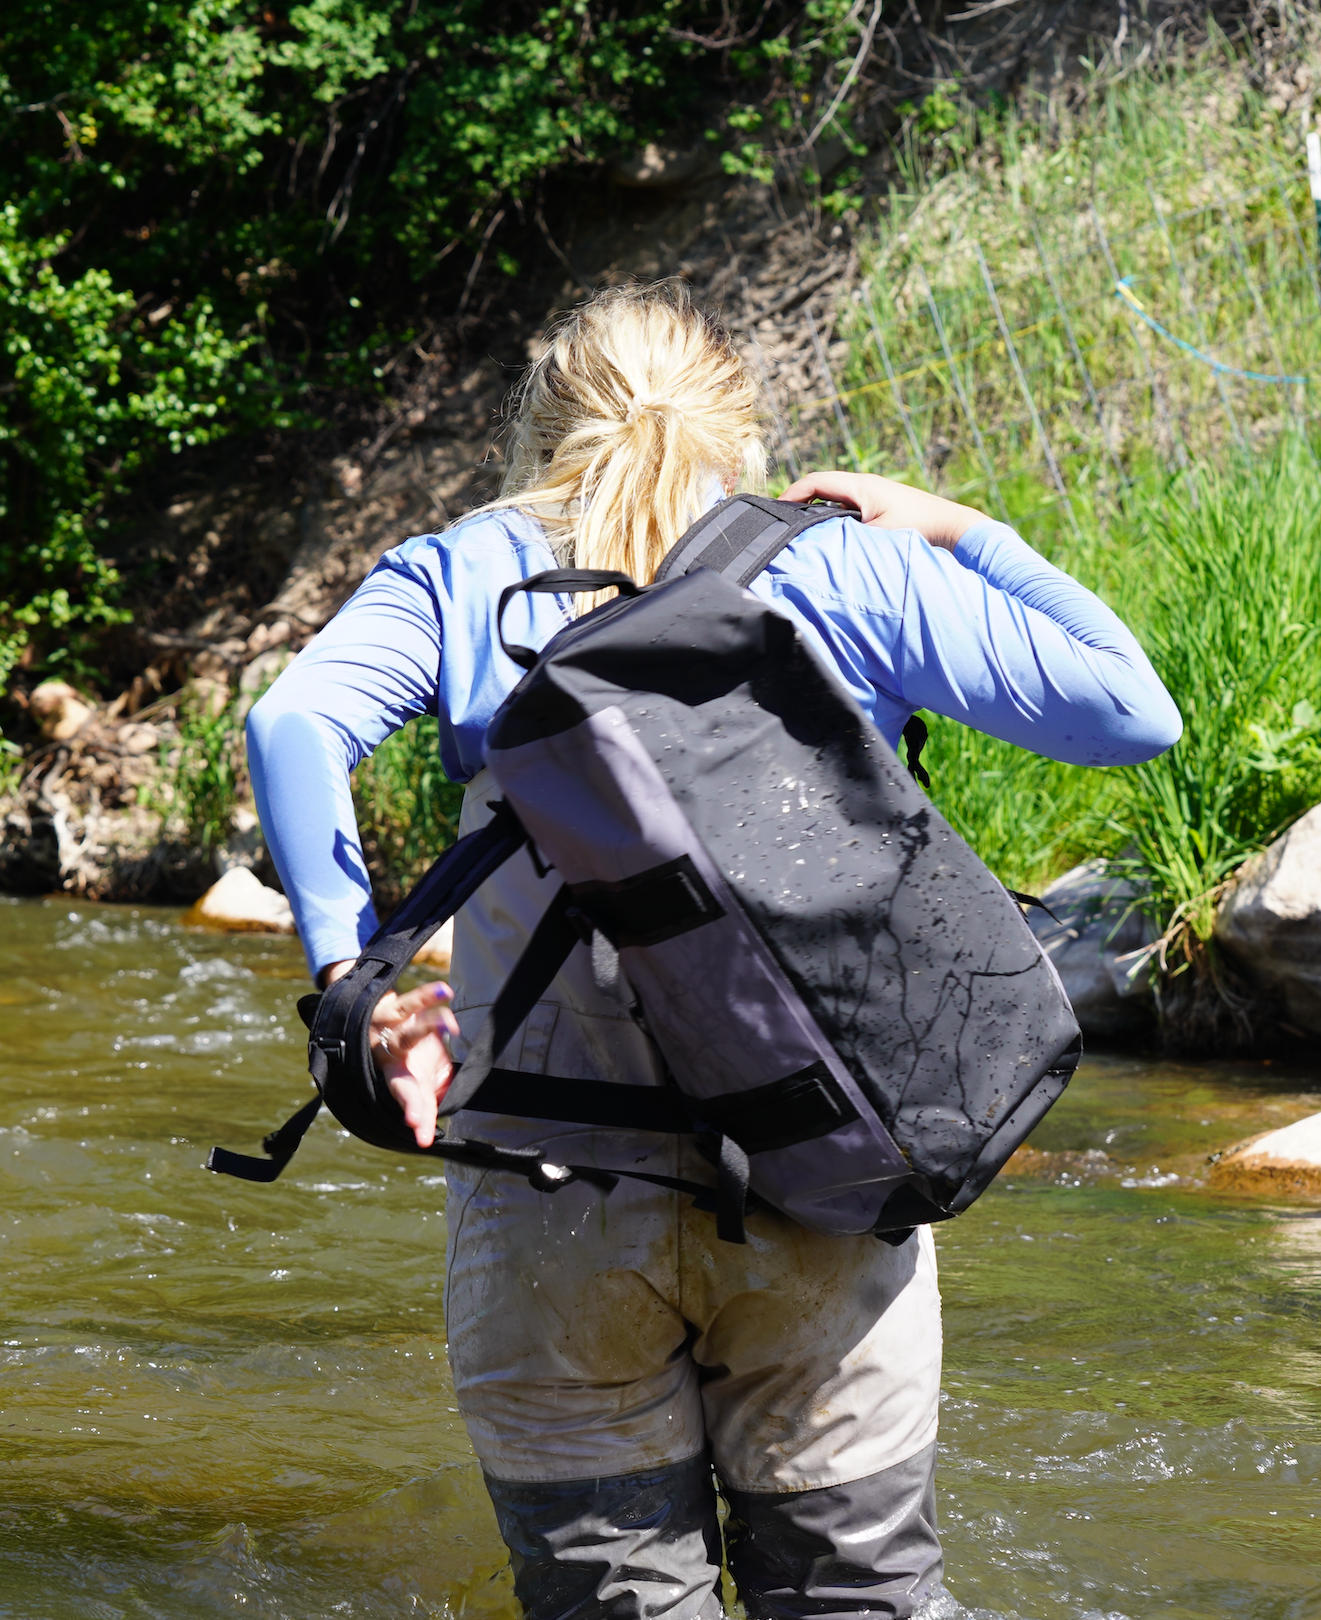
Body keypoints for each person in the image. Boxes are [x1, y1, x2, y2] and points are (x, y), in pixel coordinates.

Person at [245, 280, 1179, 1619]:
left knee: (613, 1596)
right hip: (823, 1163)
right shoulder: (847, 564)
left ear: (540, 427)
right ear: (741, 432)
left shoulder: (463, 571)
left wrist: (358, 986)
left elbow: (292, 728)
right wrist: (962, 529)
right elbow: (1129, 711)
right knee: (861, 1600)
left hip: (550, 1190)